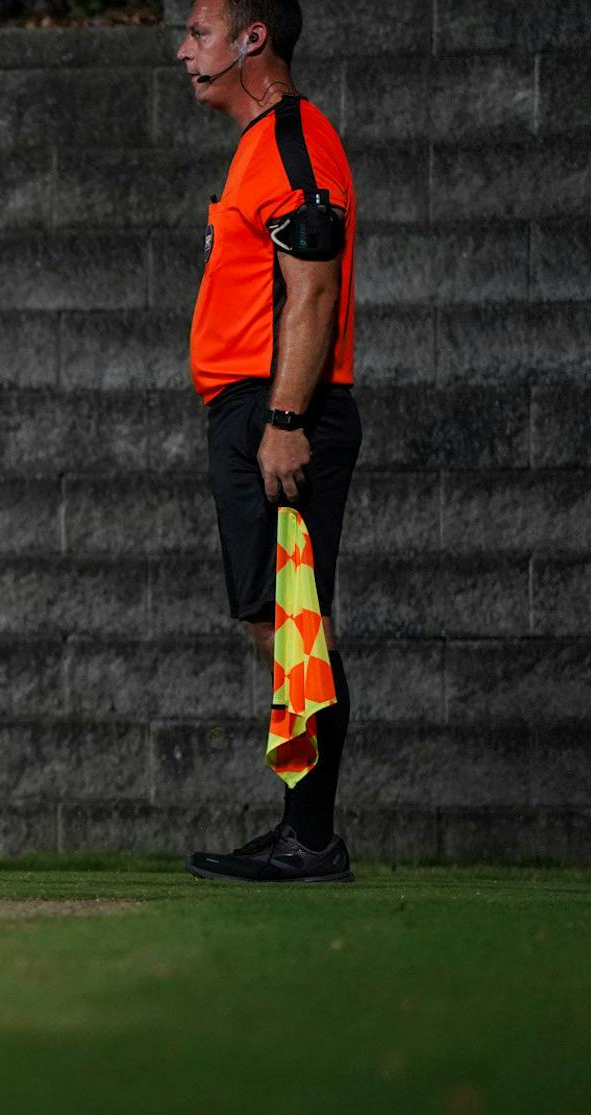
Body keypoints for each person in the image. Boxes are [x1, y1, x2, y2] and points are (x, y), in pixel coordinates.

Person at [176, 1, 361, 882]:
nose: (184, 51)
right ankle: (305, 828)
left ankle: (313, 840)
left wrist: (285, 421)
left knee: (295, 623)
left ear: (253, 41)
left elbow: (314, 289)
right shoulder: (256, 147)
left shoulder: (295, 136)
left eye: (199, 34)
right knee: (271, 616)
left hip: (281, 414)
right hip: (249, 411)